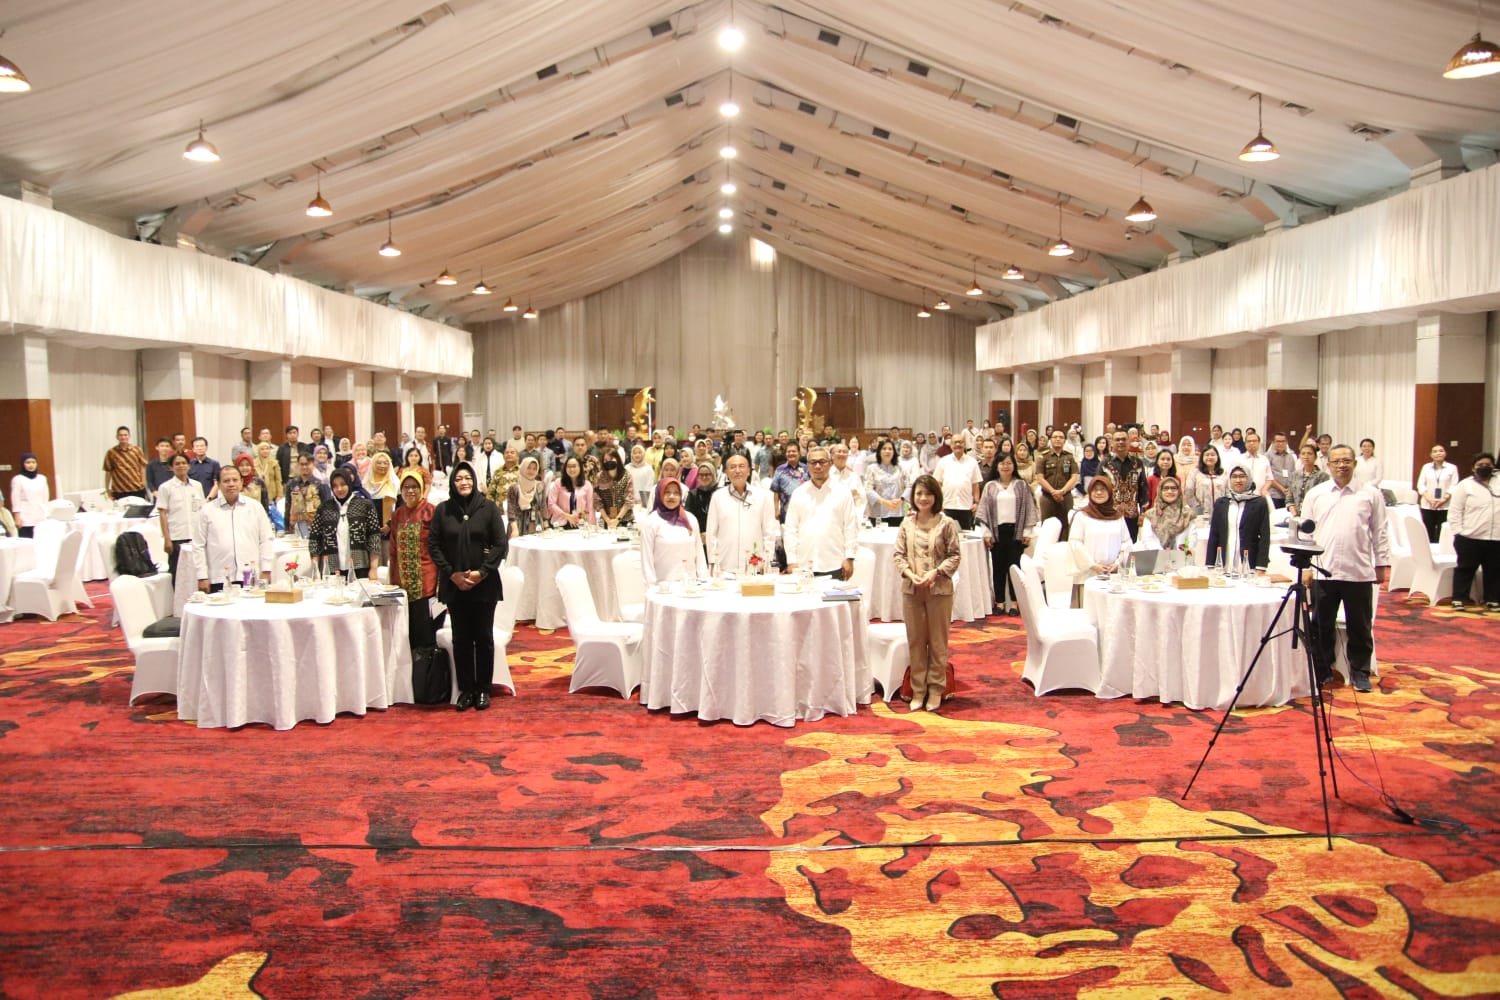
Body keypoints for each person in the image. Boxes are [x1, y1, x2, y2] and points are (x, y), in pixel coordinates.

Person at [1303, 444, 1390, 692]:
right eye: (1336, 461)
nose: (1341, 465)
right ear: (1328, 465)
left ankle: (1360, 672)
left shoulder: (1370, 494)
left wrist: (1382, 564)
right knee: (1321, 625)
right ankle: (1323, 671)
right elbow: (1305, 533)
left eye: (1346, 461)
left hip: (1358, 571)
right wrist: (1307, 567)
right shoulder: (1316, 494)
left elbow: (1380, 531)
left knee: (1360, 626)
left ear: (1355, 463)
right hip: (1324, 569)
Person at [427, 462, 507, 711]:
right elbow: (434, 545)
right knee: (461, 639)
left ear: (474, 480)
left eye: (468, 478)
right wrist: (452, 574)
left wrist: (481, 572)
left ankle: (483, 689)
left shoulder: (488, 508)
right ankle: (466, 690)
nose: (464, 482)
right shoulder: (443, 510)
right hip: (455, 585)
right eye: (459, 478)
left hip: (484, 585)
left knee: (483, 638)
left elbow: (500, 544)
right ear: (452, 483)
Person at [894, 474, 962, 712]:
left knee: (937, 642)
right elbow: (898, 555)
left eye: (928, 494)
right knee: (915, 641)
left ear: (936, 496)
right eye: (919, 493)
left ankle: (935, 688)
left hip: (939, 590)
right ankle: (918, 690)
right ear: (913, 497)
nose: (923, 498)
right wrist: (909, 574)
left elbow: (955, 555)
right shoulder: (906, 524)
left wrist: (936, 573)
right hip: (912, 590)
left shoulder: (947, 523)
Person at [783, 446, 861, 580]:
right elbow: (791, 529)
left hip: (835, 564)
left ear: (830, 464)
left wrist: (850, 557)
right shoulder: (799, 493)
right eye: (813, 462)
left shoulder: (842, 492)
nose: (817, 466)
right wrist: (791, 560)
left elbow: (851, 526)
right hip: (803, 564)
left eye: (822, 462)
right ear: (807, 465)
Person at [191, 466, 274, 592]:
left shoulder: (255, 507)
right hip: (219, 577)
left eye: (235, 480)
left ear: (241, 482)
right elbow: (198, 545)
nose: (231, 484)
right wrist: (202, 576)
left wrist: (266, 570)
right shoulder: (207, 511)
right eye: (226, 481)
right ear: (218, 484)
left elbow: (266, 540)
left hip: (250, 575)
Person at [389, 467, 440, 655]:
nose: (410, 491)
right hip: (403, 585)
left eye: (414, 486)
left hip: (426, 584)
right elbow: (393, 550)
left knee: (425, 636)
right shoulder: (397, 514)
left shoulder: (431, 512)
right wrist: (392, 583)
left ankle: (426, 671)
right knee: (405, 635)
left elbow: (440, 549)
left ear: (421, 488)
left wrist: (440, 582)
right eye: (406, 487)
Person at [978, 454, 1035, 617]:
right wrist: (986, 532)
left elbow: (1029, 508)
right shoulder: (990, 486)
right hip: (996, 533)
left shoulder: (1021, 485)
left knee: (1014, 568)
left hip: (1016, 532)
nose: (1005, 466)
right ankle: (1000, 602)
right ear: (996, 466)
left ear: (1014, 466)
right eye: (1002, 463)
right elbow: (983, 511)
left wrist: (1027, 531)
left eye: (1009, 463)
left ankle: (1015, 604)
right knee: (998, 568)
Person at [705, 454, 777, 574]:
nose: (737, 470)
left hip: (755, 566)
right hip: (725, 566)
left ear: (748, 471)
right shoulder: (718, 497)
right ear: (726, 472)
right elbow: (711, 533)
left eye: (741, 466)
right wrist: (713, 562)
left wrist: (767, 560)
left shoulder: (762, 496)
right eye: (732, 467)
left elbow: (769, 532)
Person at [1449, 453, 1500, 611]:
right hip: (1470, 536)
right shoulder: (1465, 485)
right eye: (1480, 465)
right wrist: (1459, 532)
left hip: (1496, 536)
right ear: (1473, 468)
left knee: (1494, 570)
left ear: (1493, 467)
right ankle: (1459, 598)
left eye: (1488, 465)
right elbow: (1455, 511)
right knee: (1465, 569)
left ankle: (1492, 599)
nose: (1484, 467)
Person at [309, 468, 381, 579]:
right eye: (335, 486)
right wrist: (315, 570)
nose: (339, 489)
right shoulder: (324, 508)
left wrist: (374, 568)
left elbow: (374, 538)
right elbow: (315, 540)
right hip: (331, 570)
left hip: (360, 568)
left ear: (349, 484)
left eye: (343, 484)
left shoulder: (365, 505)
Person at [639, 478, 707, 586]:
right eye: (667, 492)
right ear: (659, 494)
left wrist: (703, 580)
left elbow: (699, 553)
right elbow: (646, 559)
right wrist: (651, 588)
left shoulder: (691, 519)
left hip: (690, 586)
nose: (671, 496)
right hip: (663, 587)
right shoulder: (651, 522)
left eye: (676, 493)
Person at [1205, 466, 1271, 571]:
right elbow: (1214, 535)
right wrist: (1210, 564)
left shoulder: (1259, 503)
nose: (1238, 480)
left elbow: (1265, 536)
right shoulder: (1221, 503)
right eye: (1234, 477)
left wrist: (1261, 566)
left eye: (1242, 476)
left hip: (1249, 563)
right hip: (1224, 562)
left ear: (1249, 479)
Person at [157, 452, 205, 583]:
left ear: (189, 466)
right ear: (171, 467)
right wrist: (167, 539)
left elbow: (202, 510)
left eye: (184, 463)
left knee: (197, 571)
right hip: (177, 537)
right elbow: (163, 514)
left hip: (196, 536)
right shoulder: (165, 488)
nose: (181, 466)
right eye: (177, 464)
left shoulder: (197, 486)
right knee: (177, 574)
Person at [1071, 477, 1129, 576]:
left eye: (1103, 489)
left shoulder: (1118, 517)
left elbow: (1126, 542)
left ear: (1109, 492)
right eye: (1095, 489)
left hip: (1113, 573)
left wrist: (1118, 563)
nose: (1099, 492)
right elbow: (1075, 543)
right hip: (1088, 573)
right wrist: (1092, 565)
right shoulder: (1082, 515)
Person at [1102, 429, 1149, 540]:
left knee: (1131, 545)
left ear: (1128, 442)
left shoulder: (1137, 463)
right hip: (1110, 514)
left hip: (1132, 515)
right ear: (1112, 443)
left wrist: (1143, 513)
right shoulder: (1105, 464)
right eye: (1117, 440)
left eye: (1123, 439)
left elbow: (1143, 488)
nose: (1121, 442)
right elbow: (1098, 488)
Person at [1036, 429, 1079, 540]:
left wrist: (1062, 491)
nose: (1058, 439)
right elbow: (1040, 477)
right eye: (1055, 437)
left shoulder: (1069, 457)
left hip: (1065, 496)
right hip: (1048, 497)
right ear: (1050, 440)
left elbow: (1074, 476)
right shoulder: (1043, 457)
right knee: (1047, 528)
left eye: (1061, 437)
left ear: (1064, 440)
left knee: (1066, 526)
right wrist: (1053, 491)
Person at [933, 435, 981, 530]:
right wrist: (939, 502)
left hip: (966, 507)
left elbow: (975, 484)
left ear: (965, 445)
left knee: (965, 535)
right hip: (947, 506)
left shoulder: (972, 462)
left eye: (961, 442)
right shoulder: (943, 461)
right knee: (946, 534)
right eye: (955, 442)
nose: (958, 444)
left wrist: (976, 503)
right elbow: (937, 484)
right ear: (951, 445)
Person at [1139, 476, 1193, 555]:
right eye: (1166, 488)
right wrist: (1163, 554)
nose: (1170, 491)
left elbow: (1192, 539)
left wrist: (1178, 554)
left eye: (1174, 488)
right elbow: (1147, 538)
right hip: (1156, 556)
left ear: (1179, 491)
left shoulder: (1187, 514)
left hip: (1181, 557)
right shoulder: (1150, 514)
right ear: (1160, 491)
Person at [1417, 444, 1459, 543]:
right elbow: (1421, 484)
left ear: (1445, 453)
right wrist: (1430, 499)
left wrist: (1444, 499)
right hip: (1428, 505)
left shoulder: (1452, 468)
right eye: (1435, 451)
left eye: (1441, 451)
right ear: (1431, 455)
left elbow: (1454, 485)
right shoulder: (1426, 467)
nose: (1438, 453)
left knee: (1443, 531)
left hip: (1445, 505)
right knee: (1428, 531)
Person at [285, 453, 332, 540]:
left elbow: (328, 509)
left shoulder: (321, 485)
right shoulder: (291, 484)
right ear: (298, 465)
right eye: (302, 464)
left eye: (307, 464)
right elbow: (288, 507)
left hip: (316, 527)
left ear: (313, 464)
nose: (304, 467)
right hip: (297, 526)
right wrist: (287, 529)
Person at [864, 439, 907, 526]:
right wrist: (884, 502)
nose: (887, 451)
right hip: (878, 512)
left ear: (894, 452)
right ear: (879, 452)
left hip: (897, 511)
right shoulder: (871, 468)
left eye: (890, 449)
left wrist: (901, 500)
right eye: (884, 448)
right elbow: (868, 489)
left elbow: (909, 486)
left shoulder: (900, 468)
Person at [9, 453, 49, 540]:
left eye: (33, 462)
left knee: (42, 540)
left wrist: (46, 513)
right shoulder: (18, 479)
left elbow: (45, 498)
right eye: (28, 462)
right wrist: (17, 517)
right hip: (25, 517)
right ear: (23, 464)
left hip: (41, 516)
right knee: (27, 541)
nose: (31, 465)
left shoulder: (42, 478)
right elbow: (15, 499)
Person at [548, 455, 595, 528]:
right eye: (569, 466)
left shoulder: (587, 485)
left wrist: (591, 526)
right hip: (560, 524)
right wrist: (567, 516)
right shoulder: (558, 483)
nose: (572, 469)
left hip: (581, 525)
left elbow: (590, 508)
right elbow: (551, 504)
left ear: (580, 468)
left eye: (574, 466)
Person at [103, 426, 148, 501]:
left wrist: (143, 482)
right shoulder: (111, 452)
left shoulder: (137, 450)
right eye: (121, 435)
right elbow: (108, 471)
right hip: (119, 490)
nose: (123, 437)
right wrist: (107, 488)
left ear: (129, 436)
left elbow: (142, 467)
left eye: (125, 435)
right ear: (117, 437)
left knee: (139, 508)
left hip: (137, 488)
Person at [506, 455, 547, 538]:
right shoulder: (514, 487)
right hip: (517, 526)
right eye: (529, 468)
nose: (531, 471)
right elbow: (511, 510)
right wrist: (514, 529)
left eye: (534, 469)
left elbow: (543, 506)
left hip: (536, 524)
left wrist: (546, 525)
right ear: (523, 468)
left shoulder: (540, 486)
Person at [1286, 442, 1329, 518]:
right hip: (1296, 515)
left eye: (1309, 453)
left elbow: (1323, 500)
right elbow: (1289, 498)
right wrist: (1295, 515)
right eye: (1303, 454)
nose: (1306, 456)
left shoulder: (1323, 476)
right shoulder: (1295, 475)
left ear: (1315, 457)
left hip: (1315, 516)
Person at [595, 453, 636, 529]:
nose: (609, 461)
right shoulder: (599, 477)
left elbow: (629, 500)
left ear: (617, 458)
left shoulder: (626, 475)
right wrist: (607, 520)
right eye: (605, 460)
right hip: (606, 521)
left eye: (611, 458)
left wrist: (617, 520)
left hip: (625, 520)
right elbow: (597, 501)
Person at [1190, 444, 1228, 515]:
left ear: (1217, 457)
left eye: (1213, 455)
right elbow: (1189, 491)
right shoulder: (1195, 472)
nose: (1210, 457)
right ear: (1202, 457)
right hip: (1201, 511)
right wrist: (1197, 505)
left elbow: (1228, 492)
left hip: (1221, 510)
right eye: (1207, 455)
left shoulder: (1224, 473)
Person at [684, 460, 719, 533]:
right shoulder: (692, 494)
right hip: (698, 534)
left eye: (707, 474)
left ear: (713, 475)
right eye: (701, 475)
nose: (704, 477)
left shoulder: (720, 493)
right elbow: (689, 517)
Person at [626, 444, 656, 508]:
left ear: (643, 454)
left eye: (639, 453)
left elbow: (649, 486)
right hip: (629, 501)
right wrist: (630, 498)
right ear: (631, 455)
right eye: (635, 453)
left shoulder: (648, 469)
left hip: (644, 502)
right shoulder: (627, 468)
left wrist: (642, 501)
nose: (637, 455)